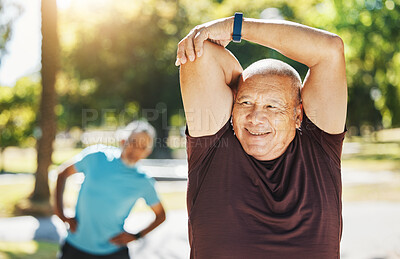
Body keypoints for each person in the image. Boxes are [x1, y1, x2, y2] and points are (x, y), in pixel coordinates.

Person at [176, 13, 347, 258]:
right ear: (232, 102)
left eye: (272, 106)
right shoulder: (212, 148)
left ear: (298, 114)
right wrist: (240, 84)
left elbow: (330, 49)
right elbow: (199, 51)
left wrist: (235, 27)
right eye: (245, 102)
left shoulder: (320, 148)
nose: (256, 117)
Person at [54, 121, 166, 259]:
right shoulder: (96, 156)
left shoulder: (144, 182)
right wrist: (60, 213)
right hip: (75, 246)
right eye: (133, 142)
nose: (136, 150)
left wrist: (136, 235)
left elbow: (161, 215)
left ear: (147, 152)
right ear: (123, 141)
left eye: (142, 147)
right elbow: (62, 173)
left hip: (113, 252)